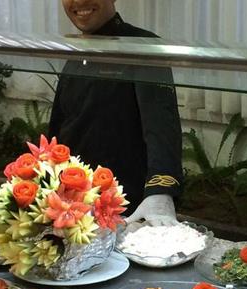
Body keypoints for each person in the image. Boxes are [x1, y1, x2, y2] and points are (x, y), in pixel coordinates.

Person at [49, 0, 183, 225]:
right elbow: (61, 127)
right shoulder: (78, 49)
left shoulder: (141, 46)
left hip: (126, 210)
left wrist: (160, 192)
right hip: (73, 206)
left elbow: (161, 128)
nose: (79, 1)